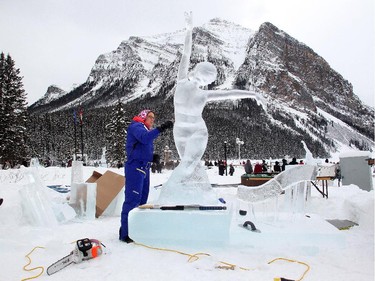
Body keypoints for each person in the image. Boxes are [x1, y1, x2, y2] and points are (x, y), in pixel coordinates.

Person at [158, 12, 266, 203]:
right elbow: (186, 53)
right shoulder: (181, 81)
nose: (203, 81)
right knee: (188, 165)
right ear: (196, 71)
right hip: (180, 132)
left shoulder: (203, 93)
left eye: (207, 80)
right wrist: (189, 30)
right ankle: (193, 197)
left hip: (198, 132)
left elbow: (229, 93)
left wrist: (253, 94)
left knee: (189, 165)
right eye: (203, 76)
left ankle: (171, 192)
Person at [119, 109, 173, 243]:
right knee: (132, 201)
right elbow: (144, 138)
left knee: (142, 201)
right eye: (150, 117)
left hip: (144, 168)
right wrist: (161, 128)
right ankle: (125, 233)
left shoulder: (144, 129)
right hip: (135, 167)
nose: (153, 120)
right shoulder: (136, 126)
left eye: (154, 118)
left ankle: (137, 229)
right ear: (143, 116)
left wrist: (151, 157)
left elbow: (141, 147)